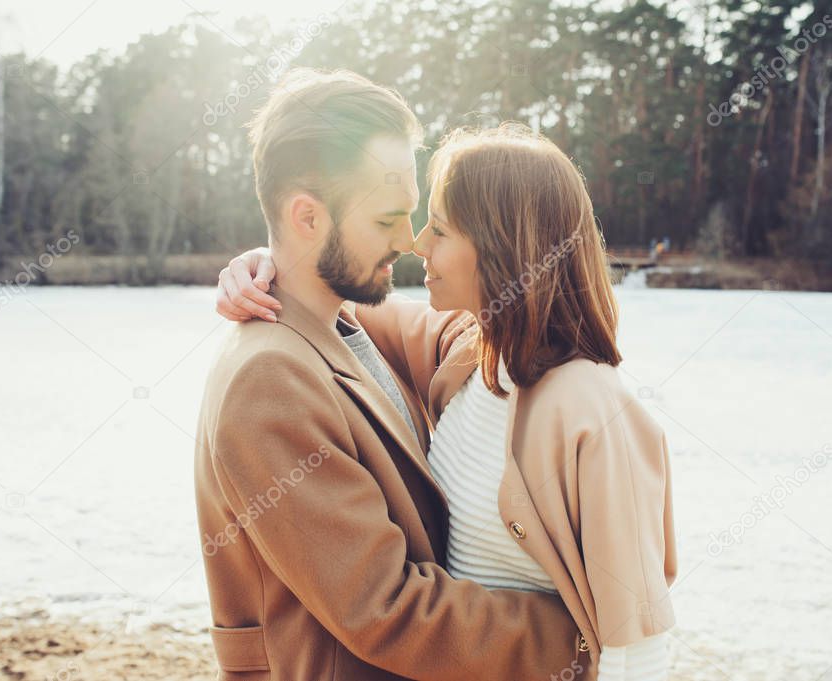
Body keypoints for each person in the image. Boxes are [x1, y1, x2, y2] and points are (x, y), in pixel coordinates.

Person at [217, 122, 678, 680]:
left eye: (439, 228)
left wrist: (586, 650)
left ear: (501, 244)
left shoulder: (591, 408)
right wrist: (273, 258)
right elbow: (337, 298)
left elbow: (640, 640)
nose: (417, 243)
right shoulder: (472, 353)